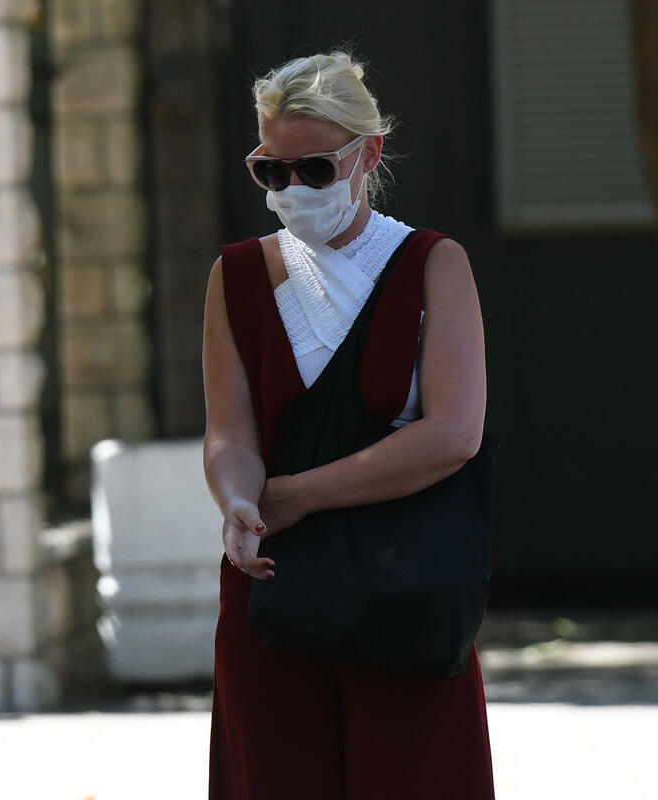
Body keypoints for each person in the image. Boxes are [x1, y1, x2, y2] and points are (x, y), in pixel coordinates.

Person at [201, 52, 495, 799]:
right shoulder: (236, 275)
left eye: (315, 169)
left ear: (369, 154)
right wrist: (237, 500)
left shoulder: (433, 264)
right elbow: (230, 432)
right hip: (275, 589)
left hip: (405, 588)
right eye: (272, 171)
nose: (293, 189)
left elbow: (454, 434)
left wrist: (296, 495)